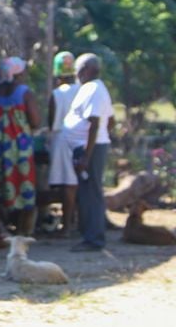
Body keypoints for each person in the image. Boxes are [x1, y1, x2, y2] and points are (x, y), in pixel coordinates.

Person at [63, 54, 115, 252]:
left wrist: (86, 154)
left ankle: (93, 239)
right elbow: (110, 121)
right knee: (87, 191)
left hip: (89, 149)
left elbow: (95, 123)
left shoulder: (94, 89)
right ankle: (88, 234)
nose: (75, 74)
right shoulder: (95, 88)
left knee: (90, 193)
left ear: (84, 69)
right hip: (90, 147)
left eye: (77, 69)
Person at [0, 57, 41, 236]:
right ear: (19, 73)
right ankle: (24, 230)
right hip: (20, 147)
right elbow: (35, 121)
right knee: (25, 182)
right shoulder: (25, 93)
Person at [47, 51, 81, 236]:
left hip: (62, 140)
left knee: (68, 185)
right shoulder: (83, 90)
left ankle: (66, 226)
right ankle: (77, 223)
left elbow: (52, 123)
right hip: (81, 139)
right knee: (79, 184)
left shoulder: (56, 94)